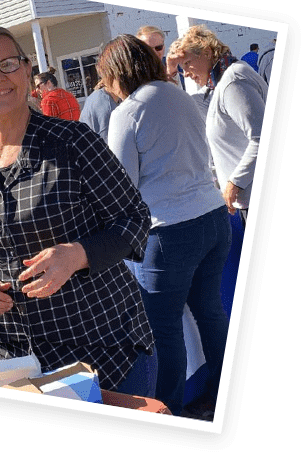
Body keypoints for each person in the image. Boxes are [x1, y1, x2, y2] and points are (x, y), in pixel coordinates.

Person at [0, 24, 155, 395]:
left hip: (103, 350)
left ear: (27, 70)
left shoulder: (73, 142)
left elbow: (135, 220)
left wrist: (77, 254)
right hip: (18, 360)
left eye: (7, 64)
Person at [98, 34, 231, 416]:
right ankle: (222, 391)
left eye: (105, 78)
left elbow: (120, 185)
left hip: (170, 230)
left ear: (116, 73)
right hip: (211, 215)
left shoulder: (128, 111)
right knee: (209, 312)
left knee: (163, 328)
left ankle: (168, 412)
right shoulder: (179, 95)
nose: (105, 86)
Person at [171, 25, 267, 221]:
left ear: (207, 52)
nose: (186, 73)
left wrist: (235, 183)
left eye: (188, 63)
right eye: (182, 69)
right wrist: (170, 71)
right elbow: (178, 102)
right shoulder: (219, 84)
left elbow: (262, 137)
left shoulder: (233, 81)